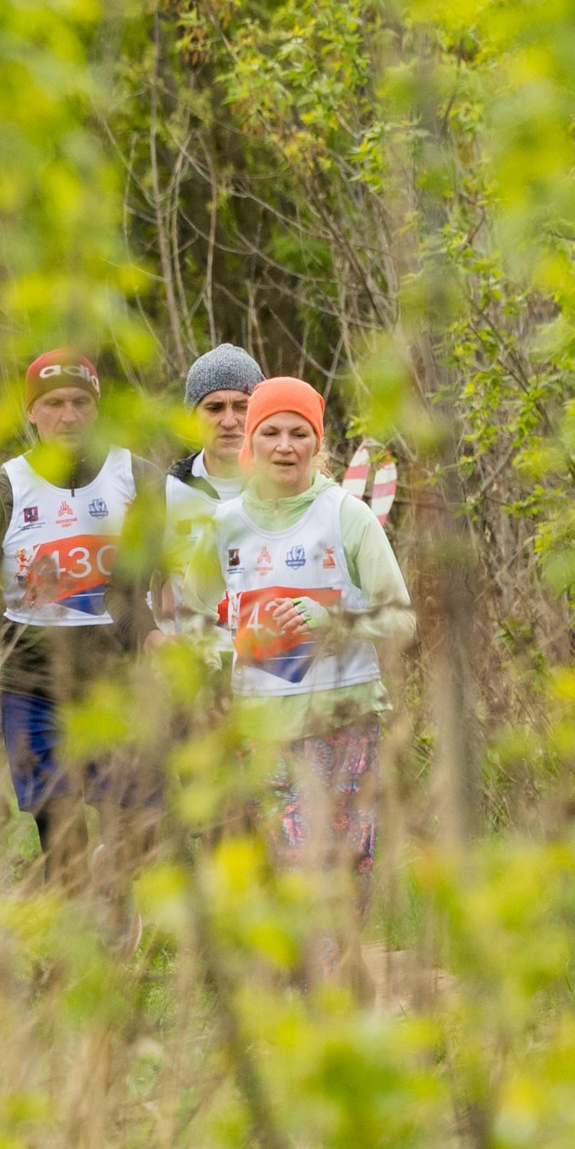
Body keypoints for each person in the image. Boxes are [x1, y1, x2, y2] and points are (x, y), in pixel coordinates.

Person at [0, 348, 168, 887]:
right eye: (54, 403)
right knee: (60, 835)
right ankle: (78, 927)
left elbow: (157, 584)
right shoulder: (6, 486)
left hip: (116, 687)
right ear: (31, 413)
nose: (69, 416)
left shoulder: (138, 478)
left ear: (97, 408)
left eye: (80, 402)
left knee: (131, 832)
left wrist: (167, 639)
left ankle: (114, 892)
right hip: (33, 687)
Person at [199, 377, 414, 940]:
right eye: (270, 432)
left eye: (299, 434)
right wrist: (224, 646)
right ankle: (312, 982)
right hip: (264, 734)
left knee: (345, 876)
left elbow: (401, 619)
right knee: (295, 871)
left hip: (345, 725)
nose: (285, 446)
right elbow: (190, 618)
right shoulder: (223, 526)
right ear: (250, 441)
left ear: (318, 444)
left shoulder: (348, 516)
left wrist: (333, 621)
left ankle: (332, 975)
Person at [167, 343, 262, 511]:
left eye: (241, 407)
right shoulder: (167, 494)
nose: (229, 422)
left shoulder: (287, 490)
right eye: (214, 408)